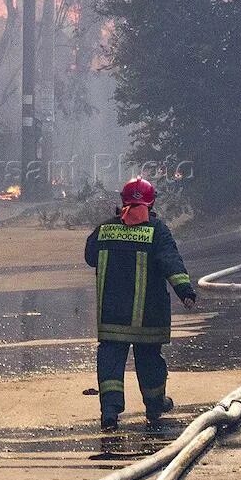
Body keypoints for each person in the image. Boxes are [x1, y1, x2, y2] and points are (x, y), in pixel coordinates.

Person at [85, 177, 196, 431]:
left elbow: (90, 256)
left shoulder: (103, 230)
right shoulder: (157, 231)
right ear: (152, 201)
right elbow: (171, 262)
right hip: (148, 316)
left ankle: (110, 413)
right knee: (149, 362)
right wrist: (185, 291)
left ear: (123, 201)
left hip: (112, 316)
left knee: (110, 364)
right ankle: (155, 405)